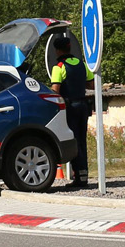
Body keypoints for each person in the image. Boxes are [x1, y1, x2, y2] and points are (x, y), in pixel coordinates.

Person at [49, 38, 92, 188]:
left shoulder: (59, 67)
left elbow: (55, 90)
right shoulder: (82, 64)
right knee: (82, 141)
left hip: (70, 108)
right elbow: (91, 84)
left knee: (74, 141)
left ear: (57, 50)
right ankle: (84, 175)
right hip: (83, 106)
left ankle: (79, 177)